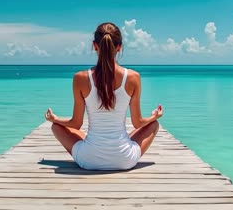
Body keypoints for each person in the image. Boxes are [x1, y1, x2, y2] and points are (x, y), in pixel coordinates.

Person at [45, 22, 163, 170]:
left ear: (95, 46)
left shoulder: (80, 78)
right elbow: (138, 123)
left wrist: (54, 119)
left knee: (57, 127)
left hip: (88, 159)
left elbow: (76, 124)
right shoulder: (133, 77)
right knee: (153, 125)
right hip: (124, 160)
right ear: (119, 47)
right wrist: (154, 116)